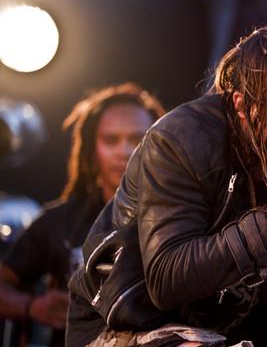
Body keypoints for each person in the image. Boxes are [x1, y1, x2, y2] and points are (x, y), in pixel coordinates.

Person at [67, 22, 267, 347]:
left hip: (233, 330)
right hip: (126, 320)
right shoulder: (182, 140)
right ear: (243, 106)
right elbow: (167, 279)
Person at [0, 83, 165, 347]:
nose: (124, 151)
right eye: (111, 140)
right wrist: (31, 306)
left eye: (137, 139)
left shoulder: (183, 216)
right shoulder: (60, 221)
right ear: (91, 149)